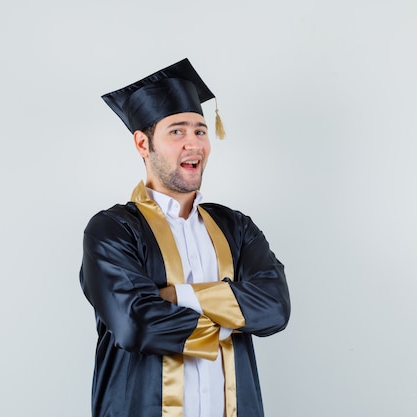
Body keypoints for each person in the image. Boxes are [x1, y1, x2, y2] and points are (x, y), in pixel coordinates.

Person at [80, 58, 291, 417]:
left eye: (200, 130)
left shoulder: (236, 228)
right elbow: (136, 325)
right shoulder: (113, 230)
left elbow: (274, 307)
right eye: (176, 131)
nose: (193, 144)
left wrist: (178, 296)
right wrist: (232, 317)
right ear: (143, 143)